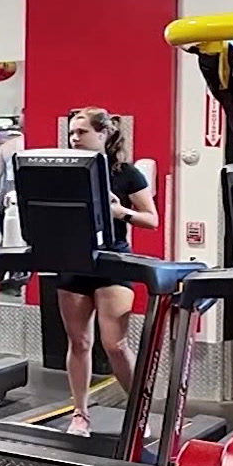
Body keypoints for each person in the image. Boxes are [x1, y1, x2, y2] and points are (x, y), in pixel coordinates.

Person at [58, 107, 156, 437]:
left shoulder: (126, 173)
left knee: (115, 345)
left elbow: (151, 219)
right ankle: (80, 415)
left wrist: (120, 212)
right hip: (74, 261)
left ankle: (139, 412)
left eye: (82, 132)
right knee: (79, 343)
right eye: (72, 133)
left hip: (113, 262)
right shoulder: (66, 171)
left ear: (103, 134)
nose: (74, 138)